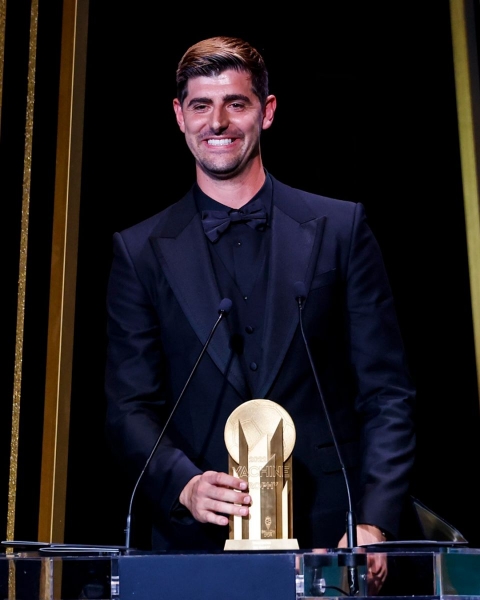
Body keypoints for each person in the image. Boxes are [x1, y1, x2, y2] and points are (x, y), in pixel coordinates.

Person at [104, 36, 416, 594]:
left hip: (332, 539)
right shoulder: (139, 250)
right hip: (195, 545)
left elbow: (386, 394)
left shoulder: (341, 230)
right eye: (201, 105)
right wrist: (184, 485)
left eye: (236, 103)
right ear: (179, 116)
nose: (217, 122)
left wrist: (373, 522)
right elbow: (129, 407)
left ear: (267, 112)